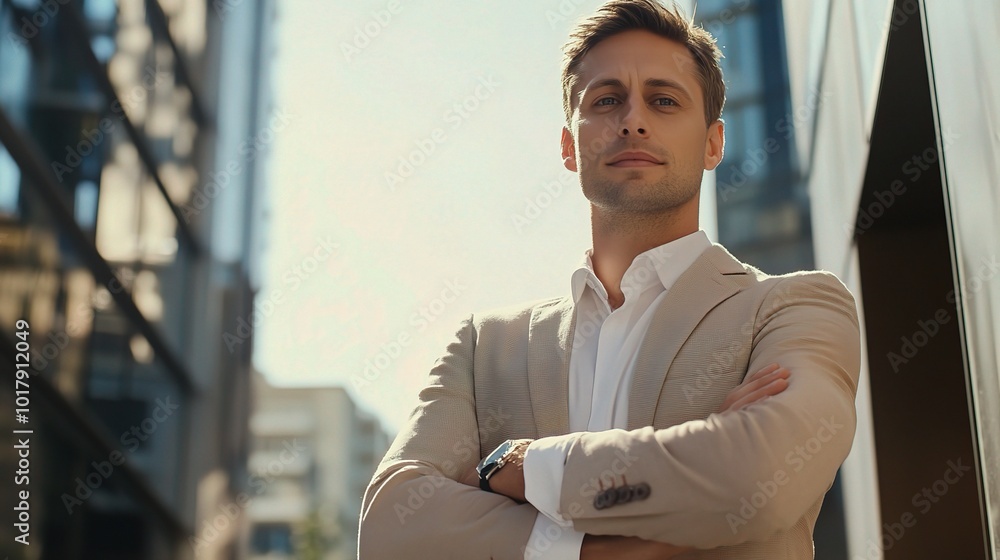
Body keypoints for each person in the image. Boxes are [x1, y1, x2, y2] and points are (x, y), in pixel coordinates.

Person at [358, 1, 861, 558]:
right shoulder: (485, 347)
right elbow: (390, 528)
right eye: (606, 100)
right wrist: (609, 545)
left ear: (714, 143)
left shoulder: (793, 307)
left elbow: (759, 480)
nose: (634, 120)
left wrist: (530, 467)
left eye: (664, 100)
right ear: (570, 146)